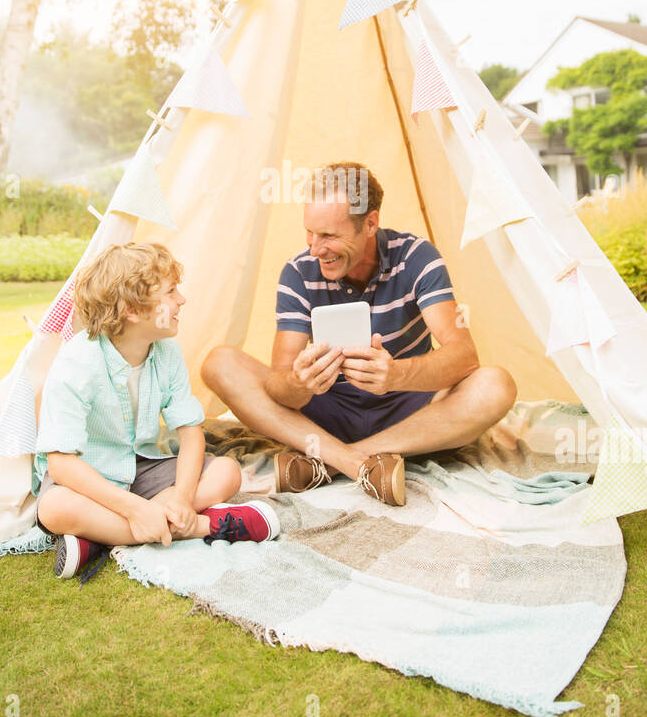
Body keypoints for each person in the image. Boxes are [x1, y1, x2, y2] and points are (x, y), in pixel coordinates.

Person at [202, 162, 517, 507]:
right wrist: (299, 384)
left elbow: (464, 356)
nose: (315, 248)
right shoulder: (298, 273)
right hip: (327, 412)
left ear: (370, 223)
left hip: (410, 411)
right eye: (311, 232)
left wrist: (397, 375)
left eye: (330, 236)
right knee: (220, 363)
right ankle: (355, 463)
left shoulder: (416, 257)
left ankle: (331, 463)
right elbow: (280, 386)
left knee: (496, 384)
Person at [33, 241, 279, 580]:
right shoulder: (77, 362)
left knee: (226, 471)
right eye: (171, 292)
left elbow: (191, 434)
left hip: (142, 468)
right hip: (89, 478)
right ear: (133, 310)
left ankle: (97, 540)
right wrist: (137, 510)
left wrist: (181, 496)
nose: (182, 299)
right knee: (53, 507)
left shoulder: (168, 354)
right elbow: (61, 465)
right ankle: (207, 526)